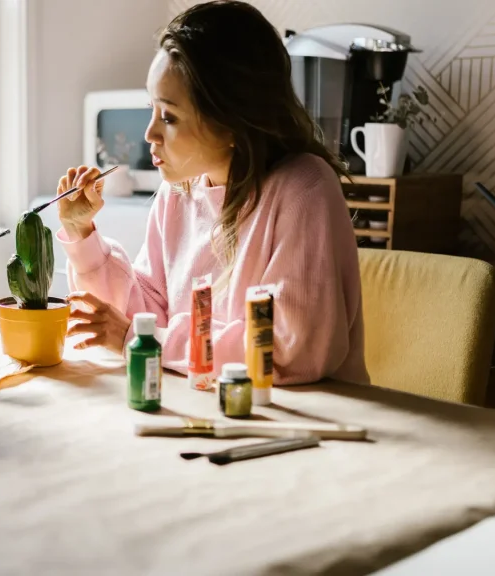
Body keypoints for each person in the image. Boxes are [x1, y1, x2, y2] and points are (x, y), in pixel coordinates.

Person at [57, 0, 369, 386]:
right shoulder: (179, 192)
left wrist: (144, 340)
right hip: (208, 409)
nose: (149, 134)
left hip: (308, 425)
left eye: (168, 117)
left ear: (231, 121)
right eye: (151, 110)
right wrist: (84, 236)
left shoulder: (304, 188)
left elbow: (291, 349)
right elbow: (144, 313)